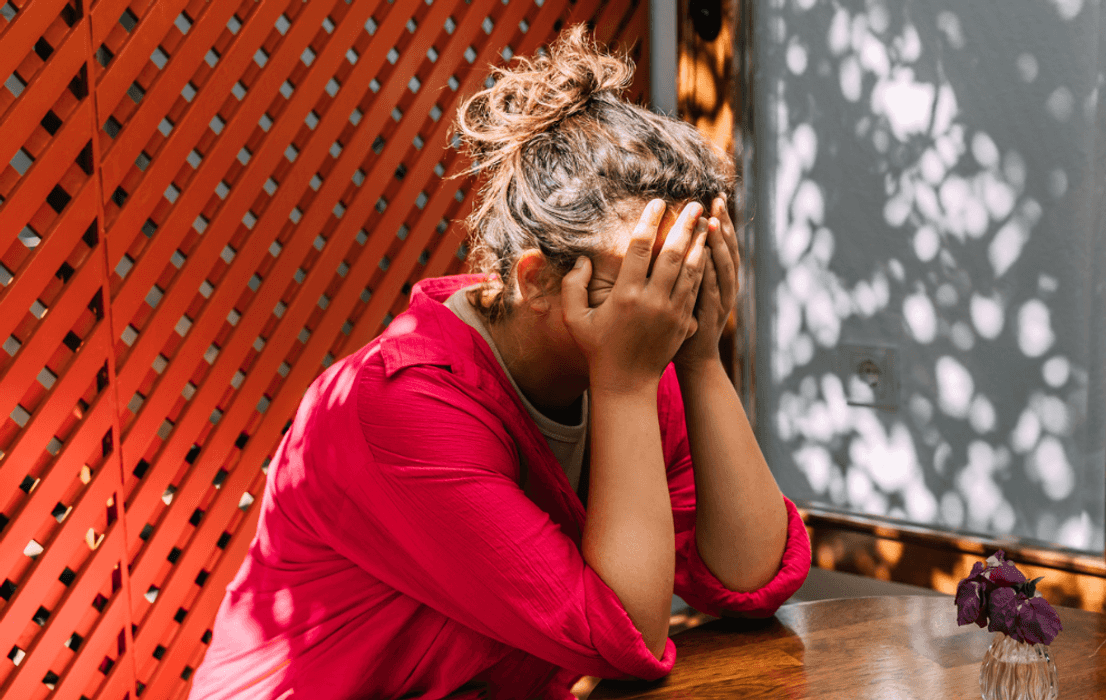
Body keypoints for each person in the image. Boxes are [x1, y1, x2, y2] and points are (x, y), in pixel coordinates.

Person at [189, 25, 810, 700]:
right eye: (638, 279)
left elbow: (750, 579)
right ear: (537, 279)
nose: (663, 305)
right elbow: (620, 637)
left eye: (682, 274)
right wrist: (628, 385)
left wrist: (700, 360)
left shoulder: (636, 349)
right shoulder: (398, 403)